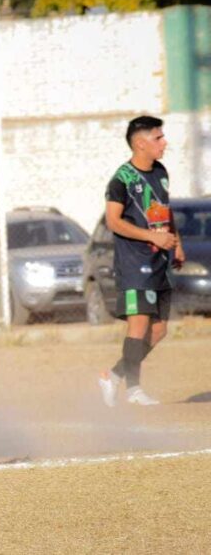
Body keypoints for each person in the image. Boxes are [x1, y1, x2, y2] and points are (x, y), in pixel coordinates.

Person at [97, 115, 183, 407]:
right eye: (158, 138)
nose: (164, 143)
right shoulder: (121, 179)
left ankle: (113, 375)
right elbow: (113, 221)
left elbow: (165, 210)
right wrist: (151, 236)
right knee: (139, 326)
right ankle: (133, 390)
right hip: (135, 264)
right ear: (140, 144)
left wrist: (177, 243)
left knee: (159, 330)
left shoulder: (160, 172)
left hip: (160, 262)